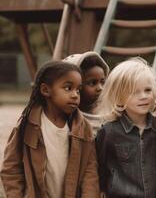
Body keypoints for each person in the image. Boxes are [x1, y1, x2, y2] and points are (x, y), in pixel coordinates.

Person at [0, 61, 100, 197]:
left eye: (78, 90)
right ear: (45, 90)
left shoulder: (83, 128)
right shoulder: (26, 126)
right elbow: (11, 170)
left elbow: (90, 173)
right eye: (68, 88)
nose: (75, 95)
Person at [95, 57, 156, 197]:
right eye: (134, 92)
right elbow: (100, 165)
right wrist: (101, 190)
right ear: (119, 97)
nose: (143, 96)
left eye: (148, 90)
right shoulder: (109, 131)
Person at [63, 51, 109, 137]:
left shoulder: (111, 114)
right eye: (92, 83)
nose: (100, 88)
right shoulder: (66, 121)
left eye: (102, 82)